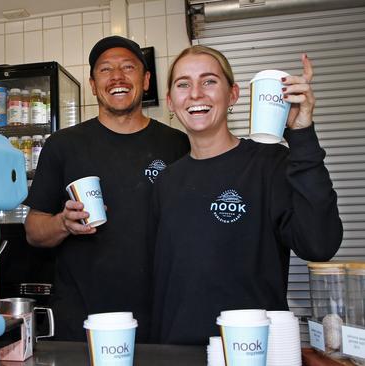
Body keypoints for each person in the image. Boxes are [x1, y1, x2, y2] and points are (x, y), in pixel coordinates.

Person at [148, 45, 343, 345]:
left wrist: (302, 133)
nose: (196, 93)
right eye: (183, 84)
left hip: (254, 350)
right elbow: (164, 284)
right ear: (171, 102)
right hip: (179, 352)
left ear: (233, 95)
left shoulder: (270, 164)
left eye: (209, 81)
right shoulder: (167, 181)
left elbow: (319, 244)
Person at [23, 36, 190, 342]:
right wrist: (63, 223)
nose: (117, 76)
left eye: (128, 67)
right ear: (92, 83)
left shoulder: (177, 144)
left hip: (160, 316)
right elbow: (33, 230)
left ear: (146, 79)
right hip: (81, 320)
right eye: (105, 69)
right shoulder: (63, 145)